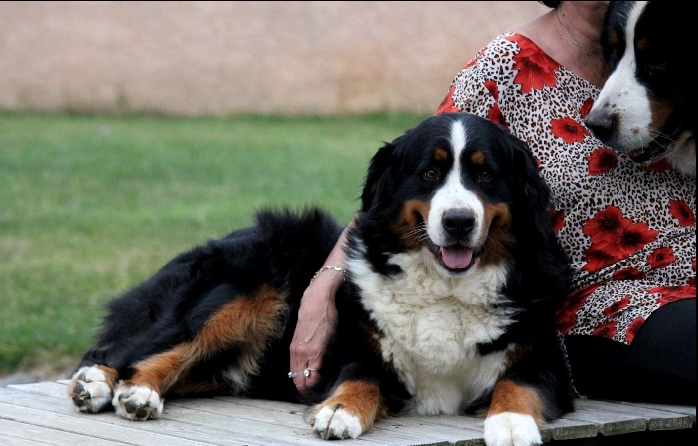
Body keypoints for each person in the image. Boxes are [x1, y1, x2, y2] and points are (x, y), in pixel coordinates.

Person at [289, 1, 696, 405]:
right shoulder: (504, 69)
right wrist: (325, 285)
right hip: (608, 309)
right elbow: (407, 179)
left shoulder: (671, 36)